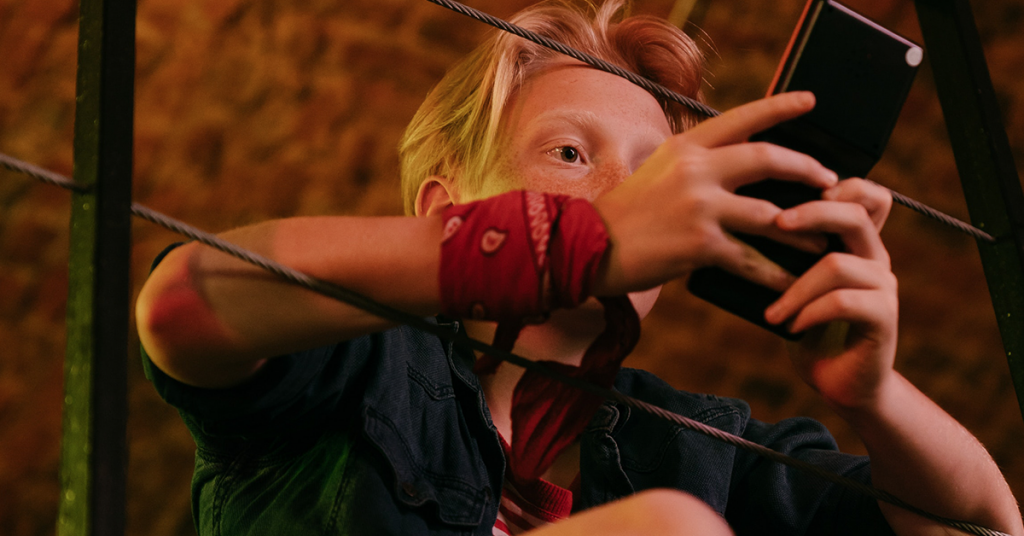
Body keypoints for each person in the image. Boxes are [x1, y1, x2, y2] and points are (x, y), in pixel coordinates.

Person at [135, 1, 1022, 535]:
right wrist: (571, 244)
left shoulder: (695, 445)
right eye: (569, 152)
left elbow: (984, 529)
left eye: (654, 175)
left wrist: (875, 395)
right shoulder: (358, 362)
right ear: (445, 208)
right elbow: (184, 305)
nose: (629, 196)